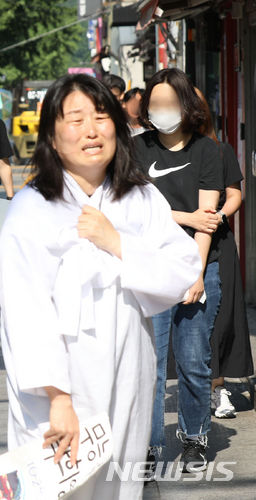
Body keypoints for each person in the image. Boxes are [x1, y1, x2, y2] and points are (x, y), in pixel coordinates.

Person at [0, 74, 201, 499]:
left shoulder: (139, 197)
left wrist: (117, 244)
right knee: (55, 484)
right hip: (57, 381)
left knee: (119, 484)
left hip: (128, 366)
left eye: (101, 116)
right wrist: (57, 397)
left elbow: (183, 268)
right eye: (75, 119)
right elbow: (25, 313)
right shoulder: (31, 210)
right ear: (52, 137)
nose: (91, 130)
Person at [133, 68, 224, 472]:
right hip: (150, 269)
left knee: (192, 360)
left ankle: (194, 436)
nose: (162, 110)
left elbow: (207, 222)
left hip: (199, 265)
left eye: (170, 102)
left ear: (186, 105)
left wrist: (197, 272)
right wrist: (185, 216)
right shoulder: (136, 149)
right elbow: (134, 211)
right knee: (149, 365)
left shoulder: (208, 151)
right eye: (155, 103)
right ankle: (150, 444)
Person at [193, 88, 255, 419]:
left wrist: (217, 216)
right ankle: (198, 386)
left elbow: (235, 195)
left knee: (220, 318)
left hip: (218, 243)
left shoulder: (220, 150)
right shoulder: (160, 154)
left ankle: (218, 388)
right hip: (175, 244)